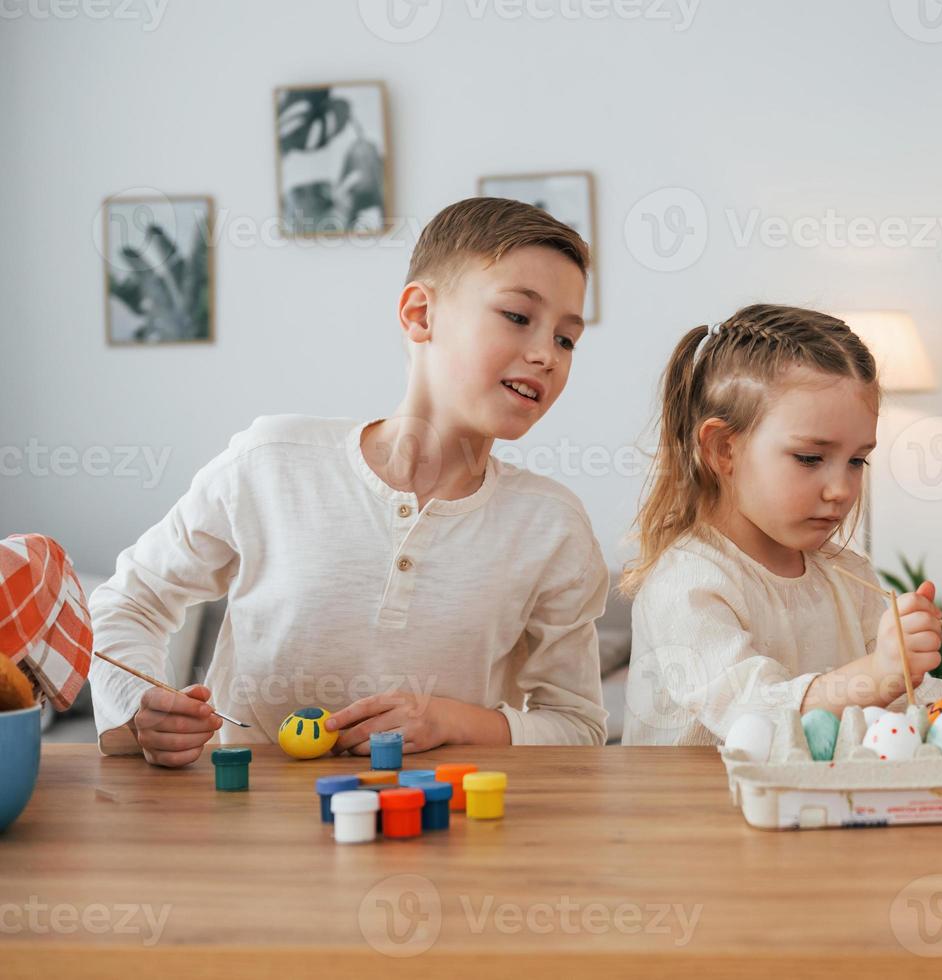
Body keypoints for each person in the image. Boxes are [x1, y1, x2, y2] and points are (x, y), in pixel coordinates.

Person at [89, 198, 609, 766]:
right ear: (419, 314)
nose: (546, 356)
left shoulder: (552, 525)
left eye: (567, 338)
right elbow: (127, 603)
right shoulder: (272, 463)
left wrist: (450, 721)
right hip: (249, 830)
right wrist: (139, 707)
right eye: (517, 316)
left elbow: (577, 724)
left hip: (443, 829)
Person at [622, 304, 942, 746]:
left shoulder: (850, 576)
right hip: (694, 813)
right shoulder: (687, 583)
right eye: (810, 458)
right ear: (724, 449)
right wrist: (878, 673)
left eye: (857, 460)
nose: (841, 488)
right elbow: (754, 715)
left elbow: (902, 703)